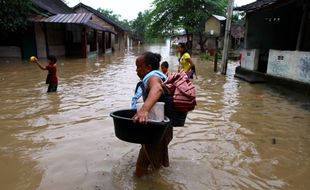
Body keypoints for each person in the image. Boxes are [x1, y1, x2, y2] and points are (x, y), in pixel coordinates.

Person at [132, 52, 173, 177]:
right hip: (163, 127)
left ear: (149, 67)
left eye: (139, 67)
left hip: (157, 131)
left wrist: (144, 110)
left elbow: (157, 89)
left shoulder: (152, 77)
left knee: (141, 167)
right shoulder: (158, 76)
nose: (136, 70)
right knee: (154, 162)